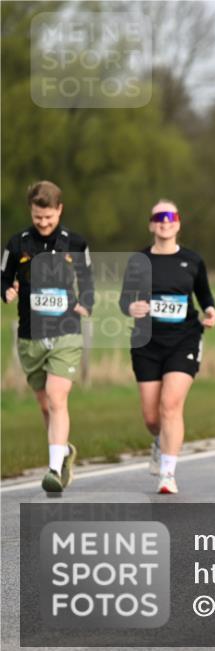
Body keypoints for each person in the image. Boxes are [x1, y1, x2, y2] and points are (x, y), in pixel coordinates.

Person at [119, 201, 215, 494]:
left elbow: (206, 297)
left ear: (178, 223)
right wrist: (131, 307)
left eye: (171, 216)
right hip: (147, 342)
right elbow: (125, 300)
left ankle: (168, 474)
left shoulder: (193, 260)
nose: (165, 222)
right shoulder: (138, 260)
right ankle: (159, 441)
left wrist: (211, 312)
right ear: (151, 224)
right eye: (159, 217)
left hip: (184, 339)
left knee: (171, 405)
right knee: (152, 418)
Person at [1, 181, 94, 492]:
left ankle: (54, 469)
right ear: (32, 211)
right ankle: (64, 451)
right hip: (30, 335)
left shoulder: (76, 244)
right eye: (38, 217)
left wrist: (87, 302)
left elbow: (87, 278)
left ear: (59, 210)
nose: (43, 223)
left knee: (57, 398)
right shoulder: (17, 243)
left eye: (49, 218)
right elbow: (3, 277)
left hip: (66, 330)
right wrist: (7, 290)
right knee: (45, 405)